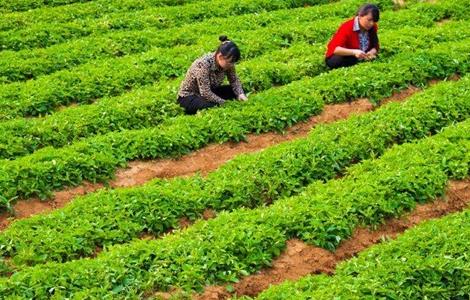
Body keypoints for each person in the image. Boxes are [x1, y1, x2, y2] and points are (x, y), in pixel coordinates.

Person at [177, 35, 248, 115]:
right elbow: (205, 93)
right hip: (190, 96)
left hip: (211, 91)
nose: (232, 65)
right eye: (230, 62)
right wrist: (225, 103)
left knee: (238, 90)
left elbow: (234, 80)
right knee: (213, 106)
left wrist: (240, 94)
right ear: (220, 57)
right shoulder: (203, 64)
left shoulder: (228, 63)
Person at [325, 3, 380, 69]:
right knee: (343, 60)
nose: (371, 23)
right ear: (360, 16)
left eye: (374, 21)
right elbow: (335, 49)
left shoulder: (373, 27)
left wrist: (371, 52)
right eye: (369, 20)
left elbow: (375, 46)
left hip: (360, 57)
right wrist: (354, 52)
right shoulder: (347, 26)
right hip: (345, 56)